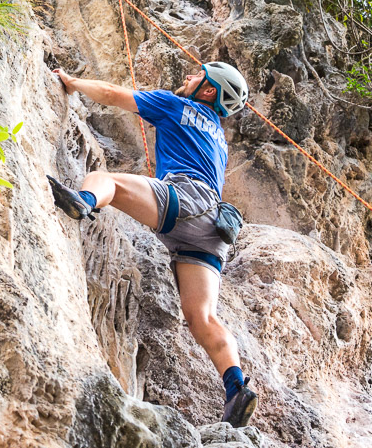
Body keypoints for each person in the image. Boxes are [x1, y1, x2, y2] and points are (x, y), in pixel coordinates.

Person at [48, 62, 257, 428]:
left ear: (208, 91)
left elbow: (113, 95)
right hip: (213, 227)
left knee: (105, 180)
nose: (187, 78)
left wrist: (72, 82)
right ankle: (236, 388)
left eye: (196, 76)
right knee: (202, 317)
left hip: (185, 200)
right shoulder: (219, 138)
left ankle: (82, 200)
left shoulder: (177, 105)